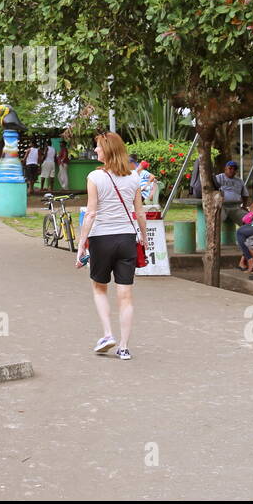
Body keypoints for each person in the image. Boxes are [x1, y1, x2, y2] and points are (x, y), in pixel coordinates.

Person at [75, 131, 147, 361]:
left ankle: (107, 335)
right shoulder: (134, 178)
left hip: (101, 239)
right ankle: (124, 347)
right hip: (126, 238)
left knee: (99, 288)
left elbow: (91, 213)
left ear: (107, 150)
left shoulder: (94, 178)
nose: (95, 150)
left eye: (98, 147)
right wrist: (143, 236)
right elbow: (139, 212)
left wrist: (81, 244)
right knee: (125, 295)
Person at [215, 160, 249, 224]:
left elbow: (245, 194)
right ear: (225, 169)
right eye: (230, 168)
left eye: (235, 169)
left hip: (236, 207)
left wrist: (244, 206)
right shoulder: (219, 177)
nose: (232, 170)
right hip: (222, 206)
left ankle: (244, 233)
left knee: (248, 220)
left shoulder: (239, 181)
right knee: (217, 222)